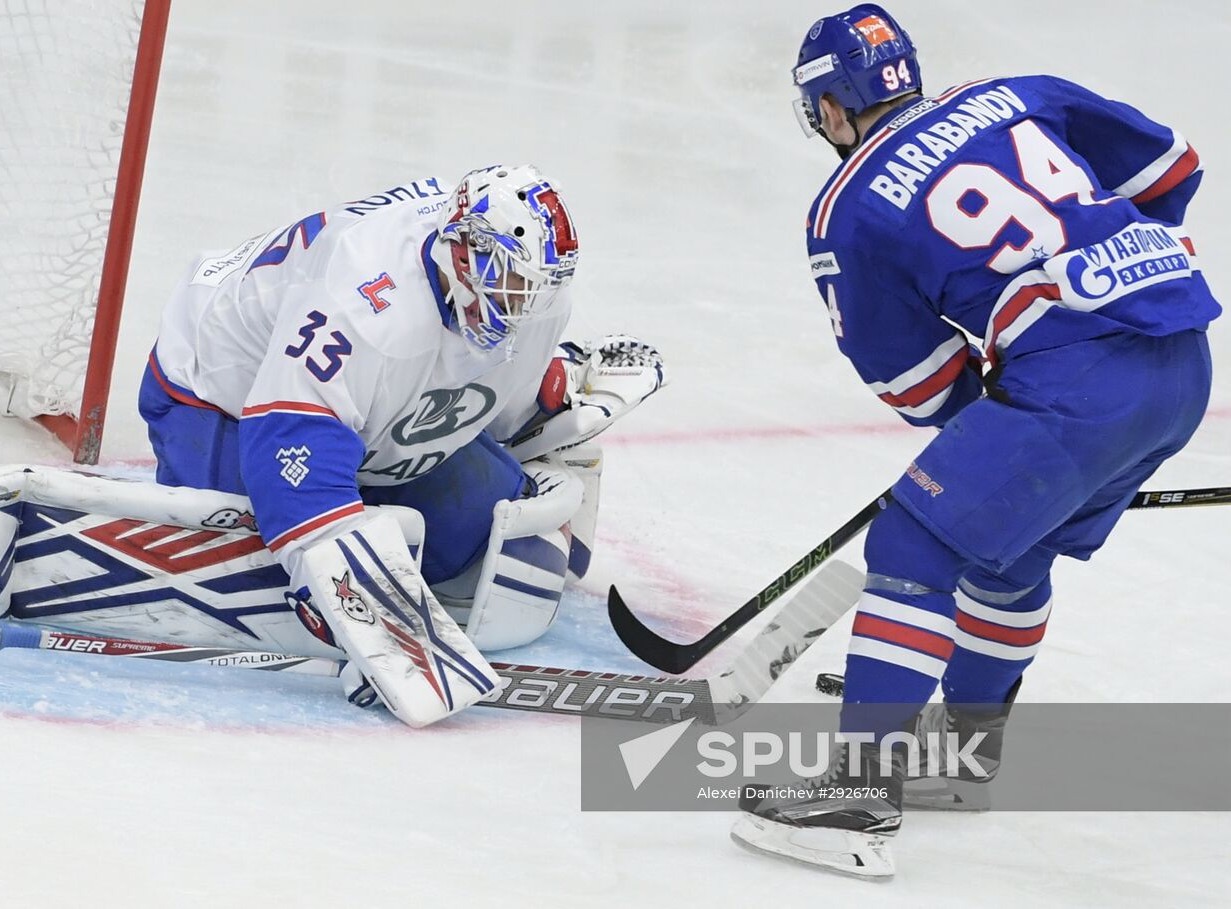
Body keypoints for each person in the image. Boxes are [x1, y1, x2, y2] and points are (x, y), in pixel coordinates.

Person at [731, 5, 1219, 877]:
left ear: (831, 110)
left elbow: (920, 386)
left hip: (1076, 385)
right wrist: (1115, 268)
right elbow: (1172, 165)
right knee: (1004, 551)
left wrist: (1002, 417)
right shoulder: (1015, 93)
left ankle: (855, 797)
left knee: (915, 538)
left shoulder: (846, 210)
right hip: (1184, 358)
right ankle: (959, 754)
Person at [138, 165, 668, 726]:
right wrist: (372, 622)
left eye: (535, 287)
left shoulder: (529, 298)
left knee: (482, 537)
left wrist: (552, 405)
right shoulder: (357, 304)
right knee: (263, 563)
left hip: (366, 405)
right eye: (509, 281)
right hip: (217, 394)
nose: (522, 304)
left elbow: (499, 409)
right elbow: (289, 464)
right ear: (460, 250)